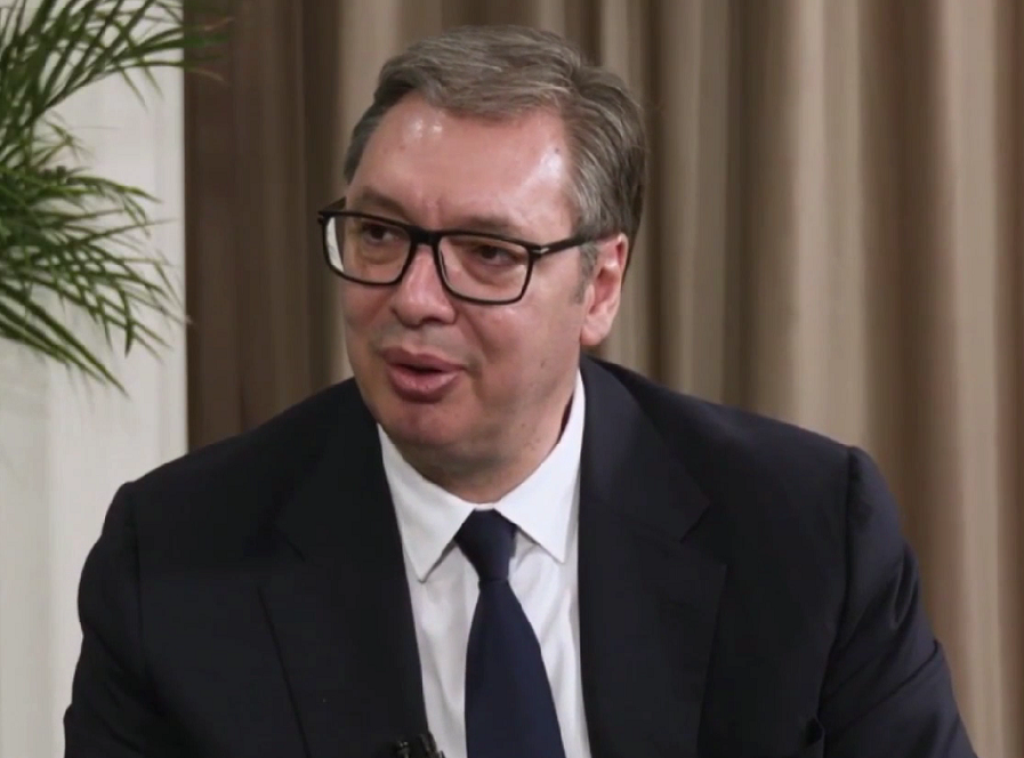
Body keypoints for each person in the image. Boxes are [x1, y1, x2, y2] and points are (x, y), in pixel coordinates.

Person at [64, 24, 977, 758]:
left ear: (600, 287)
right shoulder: (176, 560)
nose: (414, 299)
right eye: (379, 234)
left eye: (488, 253)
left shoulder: (806, 532)